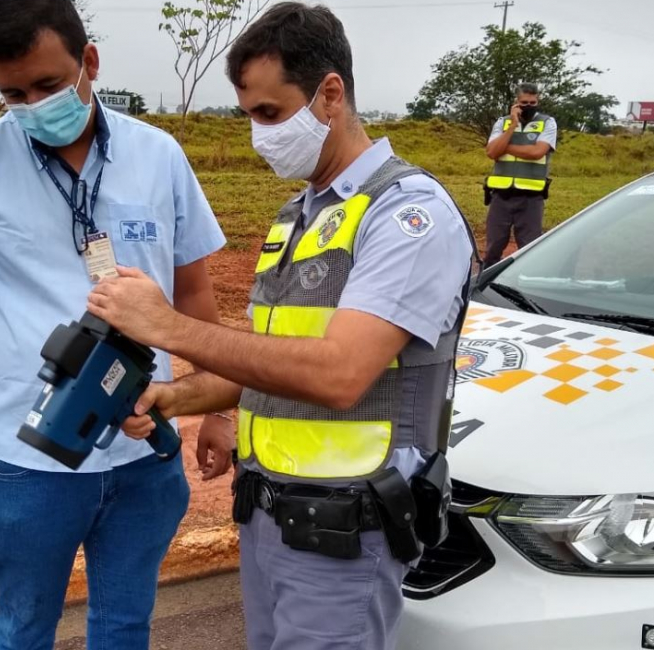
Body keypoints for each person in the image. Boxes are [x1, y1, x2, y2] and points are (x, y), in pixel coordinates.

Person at [83, 4, 477, 649]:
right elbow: (270, 362)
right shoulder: (302, 214)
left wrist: (167, 326)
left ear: (329, 94)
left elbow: (339, 373)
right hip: (269, 512)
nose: (257, 134)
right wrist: (178, 397)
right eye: (248, 116)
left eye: (269, 113)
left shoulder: (407, 216)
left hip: (348, 527)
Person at [0, 1, 232, 648]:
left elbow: (192, 289)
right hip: (27, 458)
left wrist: (217, 408)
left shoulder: (158, 155)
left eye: (49, 86)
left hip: (144, 445)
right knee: (23, 627)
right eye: (13, 93)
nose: (32, 105)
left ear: (89, 62)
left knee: (124, 623)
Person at [482, 82, 558, 265]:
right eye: (524, 103)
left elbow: (536, 153)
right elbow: (492, 153)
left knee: (529, 248)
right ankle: (486, 284)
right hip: (501, 196)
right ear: (516, 102)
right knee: (493, 246)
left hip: (531, 197)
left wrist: (504, 147)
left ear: (538, 101)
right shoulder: (503, 122)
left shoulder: (547, 123)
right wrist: (513, 125)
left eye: (533, 103)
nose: (529, 107)